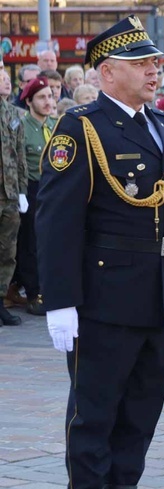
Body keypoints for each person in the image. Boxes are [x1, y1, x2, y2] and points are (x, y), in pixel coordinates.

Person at [35, 16, 164, 489]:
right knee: (94, 417)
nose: (154, 71)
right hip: (103, 301)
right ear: (107, 73)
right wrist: (60, 301)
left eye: (154, 62)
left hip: (157, 296)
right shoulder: (81, 129)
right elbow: (57, 221)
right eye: (142, 63)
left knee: (140, 414)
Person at [15, 77, 55, 317]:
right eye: (42, 97)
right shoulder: (22, 126)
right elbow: (20, 161)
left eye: (50, 96)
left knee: (51, 243)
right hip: (33, 188)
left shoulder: (58, 124)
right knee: (31, 243)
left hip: (54, 189)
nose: (48, 101)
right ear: (29, 101)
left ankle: (50, 289)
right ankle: (34, 293)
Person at [0, 76, 28, 327]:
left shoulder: (14, 114)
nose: (5, 80)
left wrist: (22, 190)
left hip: (9, 192)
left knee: (8, 250)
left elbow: (20, 154)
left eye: (6, 75)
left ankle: (1, 300)